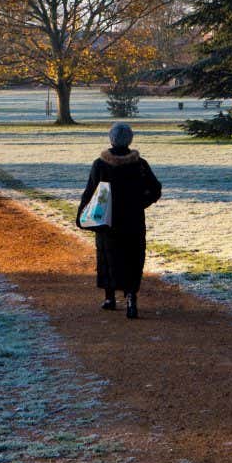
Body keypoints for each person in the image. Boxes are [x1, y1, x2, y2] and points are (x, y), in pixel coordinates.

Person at [76, 122, 162, 319]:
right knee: (133, 257)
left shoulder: (100, 164)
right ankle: (131, 299)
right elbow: (155, 189)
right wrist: (142, 203)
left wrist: (81, 214)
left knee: (107, 257)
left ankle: (109, 298)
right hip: (133, 220)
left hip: (107, 221)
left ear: (111, 139)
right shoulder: (140, 164)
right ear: (130, 139)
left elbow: (90, 191)